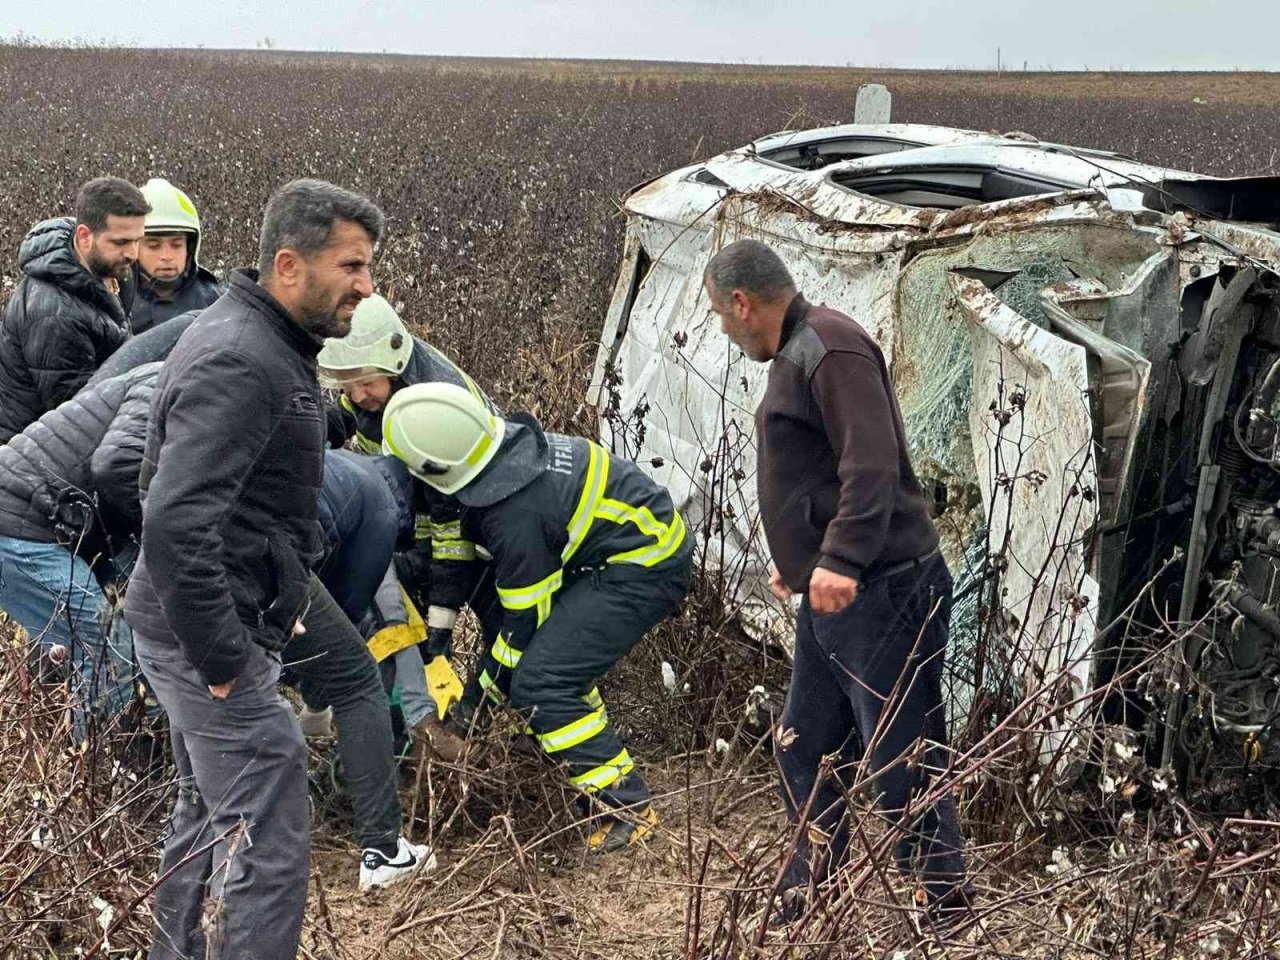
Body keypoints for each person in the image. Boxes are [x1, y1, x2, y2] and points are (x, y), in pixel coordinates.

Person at [123, 179, 427, 960]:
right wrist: (224, 656)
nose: (366, 286)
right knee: (270, 818)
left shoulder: (265, 344)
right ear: (289, 265)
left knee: (204, 807)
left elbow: (174, 486)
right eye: (352, 266)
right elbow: (174, 515)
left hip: (201, 614)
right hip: (206, 631)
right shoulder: (243, 358)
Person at [702, 239, 971, 926]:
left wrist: (841, 560)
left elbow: (871, 463)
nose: (724, 332)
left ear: (742, 301)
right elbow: (817, 473)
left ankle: (944, 907)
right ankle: (808, 891)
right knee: (804, 741)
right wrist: (801, 559)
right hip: (838, 601)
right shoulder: (800, 353)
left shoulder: (831, 346)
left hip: (885, 593)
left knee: (899, 758)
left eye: (720, 316)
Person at [381, 381, 692, 853]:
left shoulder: (514, 518)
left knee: (543, 680)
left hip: (644, 565)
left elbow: (522, 626)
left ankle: (627, 806)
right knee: (556, 667)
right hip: (619, 552)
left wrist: (473, 708)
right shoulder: (500, 455)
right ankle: (588, 770)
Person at [318, 294, 493, 728]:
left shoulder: (433, 402)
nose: (358, 396)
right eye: (348, 385)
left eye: (367, 384)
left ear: (394, 363)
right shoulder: (368, 388)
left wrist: (444, 615)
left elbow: (452, 526)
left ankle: (485, 723)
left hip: (482, 523)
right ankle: (411, 728)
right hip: (421, 514)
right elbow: (350, 425)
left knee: (502, 634)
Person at [0, 363, 159, 744]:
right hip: (17, 526)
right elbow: (115, 469)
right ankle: (112, 764)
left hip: (44, 523)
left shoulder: (155, 379)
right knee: (103, 637)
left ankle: (114, 754)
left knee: (118, 629)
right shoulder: (160, 385)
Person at [0, 177, 149, 442]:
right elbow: (78, 419)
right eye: (121, 242)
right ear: (84, 236)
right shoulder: (55, 315)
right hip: (29, 459)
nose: (133, 253)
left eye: (138, 240)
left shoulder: (109, 268)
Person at [130, 178, 223, 333]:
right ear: (134, 247)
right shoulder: (114, 303)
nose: (166, 256)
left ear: (190, 247)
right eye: (154, 246)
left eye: (176, 245)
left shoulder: (217, 304)